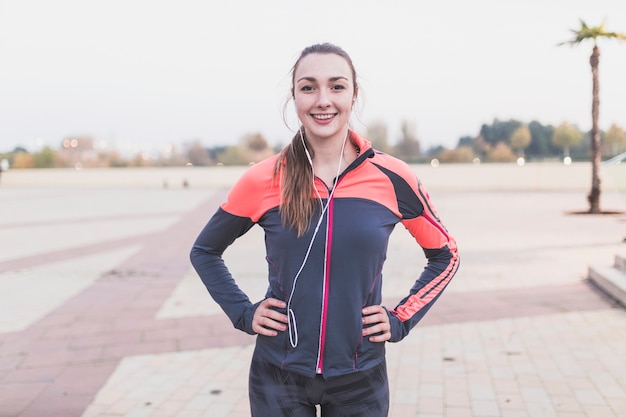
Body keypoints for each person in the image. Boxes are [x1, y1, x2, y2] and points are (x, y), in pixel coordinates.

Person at [190, 42, 459, 417]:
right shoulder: (264, 178)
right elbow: (204, 251)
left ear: (354, 95)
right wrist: (243, 312)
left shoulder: (393, 177)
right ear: (295, 96)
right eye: (308, 87)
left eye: (336, 86)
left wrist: (401, 317)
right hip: (277, 376)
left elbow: (446, 254)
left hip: (359, 376)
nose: (322, 100)